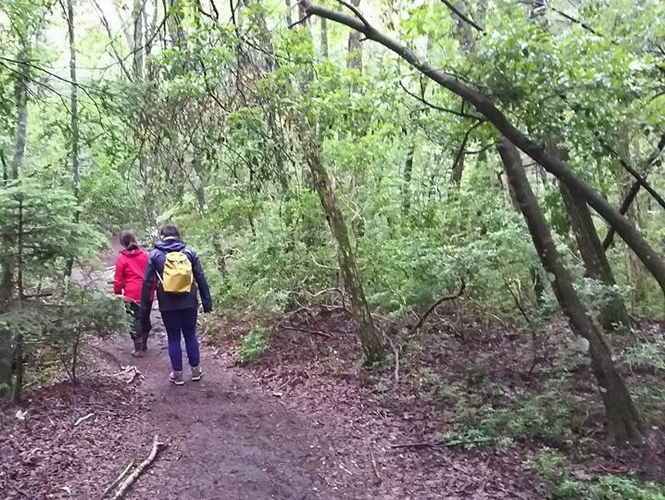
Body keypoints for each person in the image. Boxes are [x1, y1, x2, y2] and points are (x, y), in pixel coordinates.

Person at [140, 224, 213, 385]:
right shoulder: (189, 253)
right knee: (190, 334)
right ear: (178, 236)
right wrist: (207, 302)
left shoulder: (155, 255)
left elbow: (147, 283)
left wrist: (144, 309)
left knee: (173, 337)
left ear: (162, 236)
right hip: (189, 301)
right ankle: (195, 371)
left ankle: (178, 374)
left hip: (167, 304)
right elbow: (200, 277)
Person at [113, 230, 154, 357]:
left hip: (131, 295)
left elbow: (118, 280)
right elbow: (152, 275)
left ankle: (138, 348)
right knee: (145, 317)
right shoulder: (146, 255)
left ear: (122, 243)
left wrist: (117, 293)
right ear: (135, 239)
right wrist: (153, 290)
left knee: (134, 320)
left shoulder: (122, 259)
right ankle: (144, 344)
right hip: (147, 292)